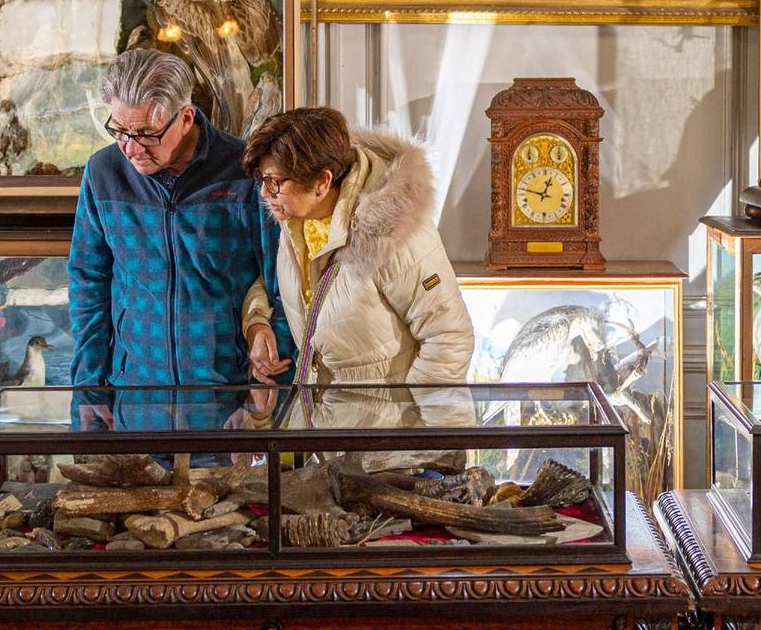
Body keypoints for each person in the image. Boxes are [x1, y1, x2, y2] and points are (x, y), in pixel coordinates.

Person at [68, 49, 292, 431]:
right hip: (134, 401)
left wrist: (269, 388)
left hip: (229, 404)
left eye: (147, 135)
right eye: (120, 131)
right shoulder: (103, 173)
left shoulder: (245, 173)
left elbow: (283, 282)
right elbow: (88, 282)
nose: (131, 148)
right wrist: (88, 388)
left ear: (186, 117)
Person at [240, 108, 474, 427]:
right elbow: (284, 283)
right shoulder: (295, 222)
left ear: (322, 182)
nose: (265, 193)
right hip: (329, 444)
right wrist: (256, 321)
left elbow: (447, 335)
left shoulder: (395, 232)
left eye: (274, 181)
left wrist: (434, 444)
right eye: (262, 181)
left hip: (389, 453)